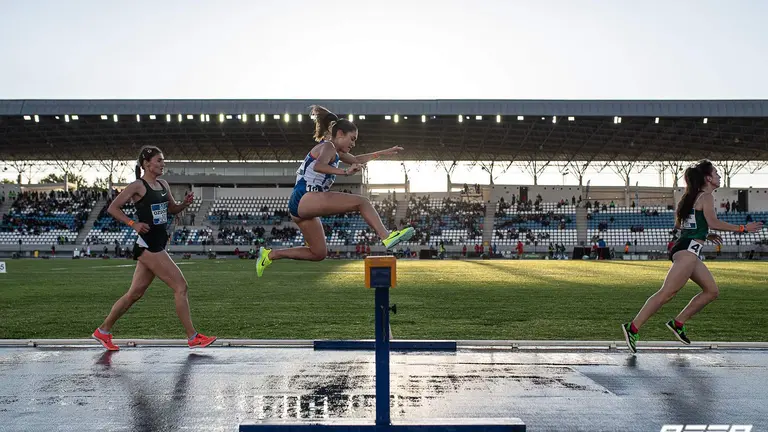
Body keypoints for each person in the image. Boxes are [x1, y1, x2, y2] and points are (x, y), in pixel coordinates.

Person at [256, 105, 415, 277]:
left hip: (302, 204)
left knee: (318, 253)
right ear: (339, 134)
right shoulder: (328, 147)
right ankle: (386, 236)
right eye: (352, 139)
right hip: (305, 196)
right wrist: (345, 172)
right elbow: (319, 166)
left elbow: (356, 159)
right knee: (362, 202)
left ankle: (270, 255)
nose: (354, 144)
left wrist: (384, 152)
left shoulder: (334, 151)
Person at [621, 160, 762, 353]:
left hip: (688, 250)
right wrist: (743, 228)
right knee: (667, 293)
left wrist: (705, 233)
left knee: (711, 291)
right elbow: (713, 221)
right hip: (687, 251)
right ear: (708, 178)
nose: (719, 176)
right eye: (716, 173)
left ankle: (678, 323)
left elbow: (681, 225)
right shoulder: (705, 197)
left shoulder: (690, 197)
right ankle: (633, 327)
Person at [92, 145, 216, 351]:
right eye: (159, 160)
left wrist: (184, 204)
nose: (163, 164)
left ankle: (103, 331)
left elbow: (172, 209)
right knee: (181, 286)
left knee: (134, 294)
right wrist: (133, 224)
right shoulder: (137, 186)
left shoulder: (163, 184)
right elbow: (113, 208)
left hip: (157, 243)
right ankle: (193, 337)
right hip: (148, 245)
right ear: (146, 164)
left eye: (163, 160)